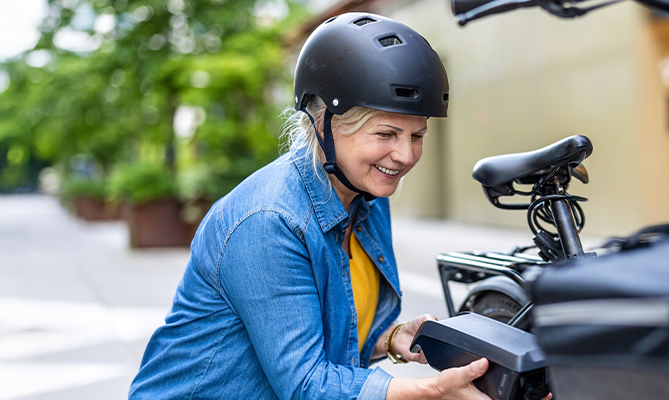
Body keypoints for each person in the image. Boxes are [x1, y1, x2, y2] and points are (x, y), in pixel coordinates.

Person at [130, 13, 493, 399]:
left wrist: (389, 339)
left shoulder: (366, 195)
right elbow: (305, 384)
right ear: (324, 125)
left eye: (417, 135)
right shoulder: (269, 221)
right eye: (385, 133)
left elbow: (323, 336)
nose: (404, 155)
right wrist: (431, 391)